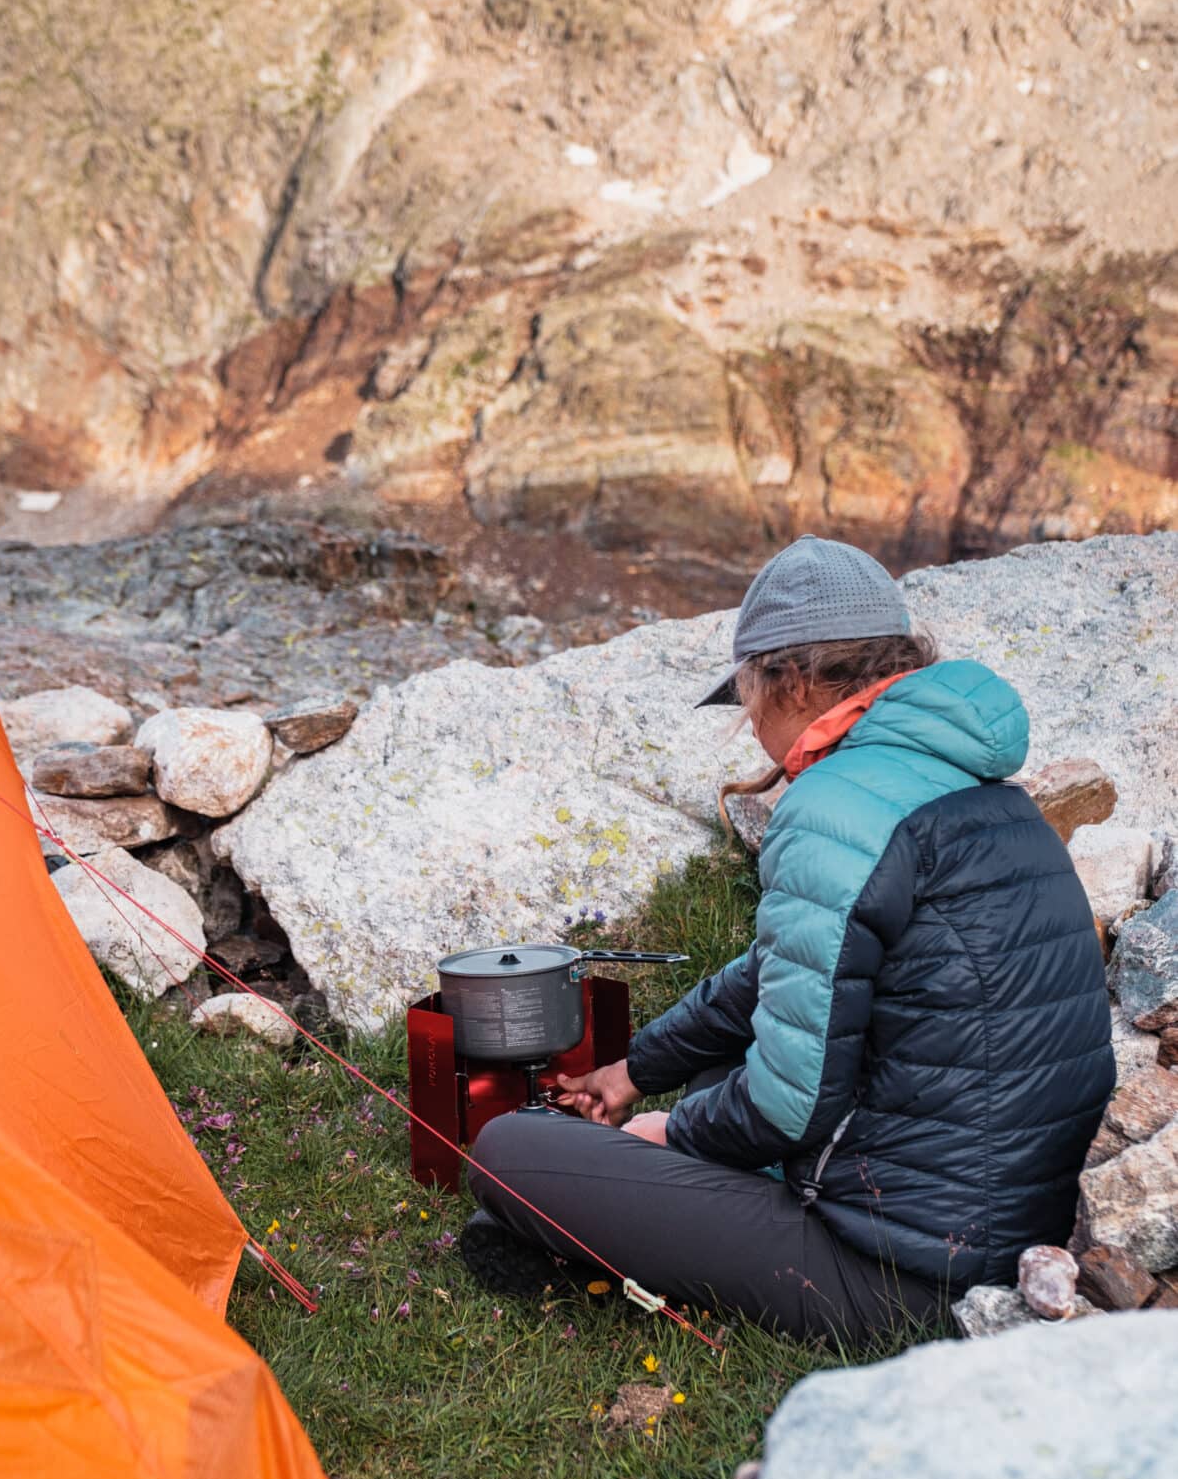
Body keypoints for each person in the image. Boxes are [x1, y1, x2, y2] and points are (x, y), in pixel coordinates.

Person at [460, 536, 1115, 1344]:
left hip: (900, 1272)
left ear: (792, 682)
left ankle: (566, 1227)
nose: (748, 726)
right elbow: (776, 978)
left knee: (506, 1150)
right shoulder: (975, 789)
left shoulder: (834, 805)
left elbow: (789, 1102)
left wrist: (672, 1130)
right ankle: (595, 1224)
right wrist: (632, 1072)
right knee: (716, 1066)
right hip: (998, 1220)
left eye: (745, 697)